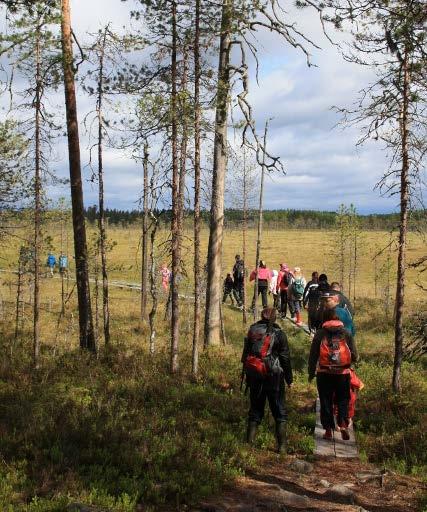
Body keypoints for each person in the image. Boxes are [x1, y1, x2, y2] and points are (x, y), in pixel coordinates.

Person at [241, 307, 293, 453]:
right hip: (274, 376)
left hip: (254, 375)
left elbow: (245, 355)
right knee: (279, 411)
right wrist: (289, 379)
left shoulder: (253, 330)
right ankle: (282, 447)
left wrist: (246, 375)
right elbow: (285, 358)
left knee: (255, 409)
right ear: (274, 318)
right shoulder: (279, 334)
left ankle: (248, 444)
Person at [308, 309, 358, 441]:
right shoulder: (346, 333)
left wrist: (310, 372)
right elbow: (355, 355)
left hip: (324, 373)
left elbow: (313, 356)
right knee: (343, 399)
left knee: (325, 401)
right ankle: (342, 425)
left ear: (324, 319)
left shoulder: (320, 334)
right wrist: (349, 362)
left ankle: (328, 430)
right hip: (342, 373)